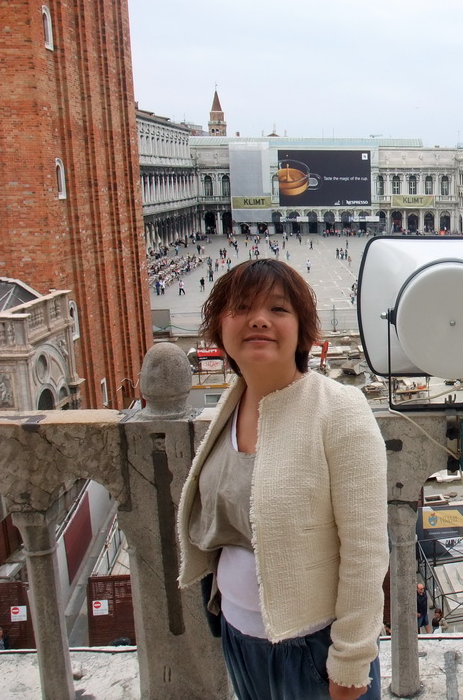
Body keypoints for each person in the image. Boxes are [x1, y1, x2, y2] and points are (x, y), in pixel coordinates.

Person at [176, 259, 387, 700]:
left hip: (312, 648)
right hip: (238, 638)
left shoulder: (340, 409)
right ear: (220, 327)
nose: (258, 319)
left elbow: (366, 551)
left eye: (278, 309)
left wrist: (350, 662)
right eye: (241, 308)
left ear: (303, 331)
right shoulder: (227, 410)